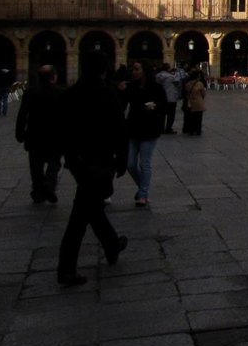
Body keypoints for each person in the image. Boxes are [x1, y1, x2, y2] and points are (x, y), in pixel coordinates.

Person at [56, 52, 128, 287]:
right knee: (80, 216)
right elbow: (119, 129)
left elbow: (62, 130)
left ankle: (112, 245)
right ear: (104, 70)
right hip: (101, 160)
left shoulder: (70, 95)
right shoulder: (107, 94)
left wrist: (69, 157)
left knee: (92, 207)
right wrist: (123, 159)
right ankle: (66, 270)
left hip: (78, 161)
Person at [15, 64, 65, 204]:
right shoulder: (60, 92)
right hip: (55, 136)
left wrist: (19, 133)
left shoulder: (30, 92)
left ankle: (38, 192)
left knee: (36, 166)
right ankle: (49, 184)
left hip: (34, 135)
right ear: (54, 77)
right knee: (54, 163)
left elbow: (22, 114)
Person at [124, 60, 167, 208]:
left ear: (145, 71)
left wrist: (155, 107)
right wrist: (119, 90)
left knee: (145, 163)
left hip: (149, 129)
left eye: (137, 69)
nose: (134, 72)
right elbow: (122, 103)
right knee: (130, 164)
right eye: (133, 69)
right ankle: (143, 187)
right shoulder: (131, 87)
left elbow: (164, 105)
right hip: (133, 128)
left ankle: (142, 194)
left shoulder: (156, 87)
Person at [156, 65, 184, 133]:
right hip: (171, 97)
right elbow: (177, 84)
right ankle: (168, 129)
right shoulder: (171, 77)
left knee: (162, 114)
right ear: (168, 69)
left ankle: (160, 128)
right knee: (171, 114)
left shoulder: (157, 76)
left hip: (161, 98)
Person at [182, 68, 207, 135]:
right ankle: (198, 130)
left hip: (190, 101)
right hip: (198, 101)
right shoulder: (199, 83)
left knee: (191, 116)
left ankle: (191, 130)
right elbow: (203, 93)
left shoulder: (187, 84)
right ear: (197, 77)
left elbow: (186, 92)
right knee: (199, 117)